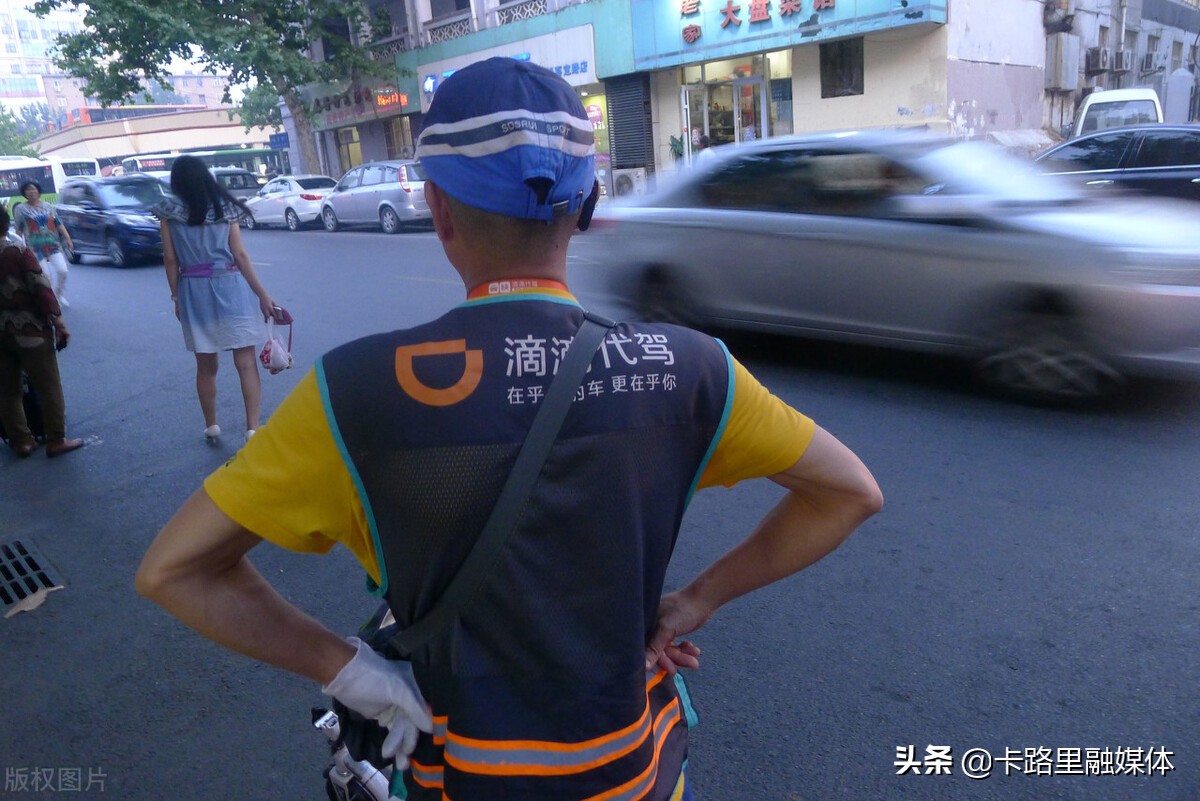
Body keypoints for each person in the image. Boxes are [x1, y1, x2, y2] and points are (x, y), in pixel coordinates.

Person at [135, 58, 883, 800]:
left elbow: (173, 570)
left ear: (438, 206)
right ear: (585, 204)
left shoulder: (351, 393)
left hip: (460, 774)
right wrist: (693, 602)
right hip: (634, 770)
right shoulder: (691, 368)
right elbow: (849, 491)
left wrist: (349, 669)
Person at [157, 155, 276, 442]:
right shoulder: (225, 208)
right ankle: (252, 428)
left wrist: (176, 297)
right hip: (231, 288)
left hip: (194, 292)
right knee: (245, 362)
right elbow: (240, 256)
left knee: (206, 366)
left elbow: (170, 259)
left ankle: (212, 425)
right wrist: (262, 294)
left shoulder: (169, 212)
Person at [0, 205, 84, 458]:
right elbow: (42, 289)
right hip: (31, 332)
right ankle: (56, 439)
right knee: (48, 386)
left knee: (8, 391)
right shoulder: (18, 252)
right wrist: (59, 322)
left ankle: (22, 441)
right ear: (6, 225)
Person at [13, 180, 74, 309]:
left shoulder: (48, 206)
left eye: (33, 189)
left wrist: (68, 238)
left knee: (63, 270)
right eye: (28, 190)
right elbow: (19, 229)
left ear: (38, 191)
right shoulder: (20, 209)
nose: (31, 192)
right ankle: (51, 301)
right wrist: (18, 245)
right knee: (45, 276)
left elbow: (58, 223)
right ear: (24, 193)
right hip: (34, 247)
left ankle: (58, 294)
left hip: (53, 245)